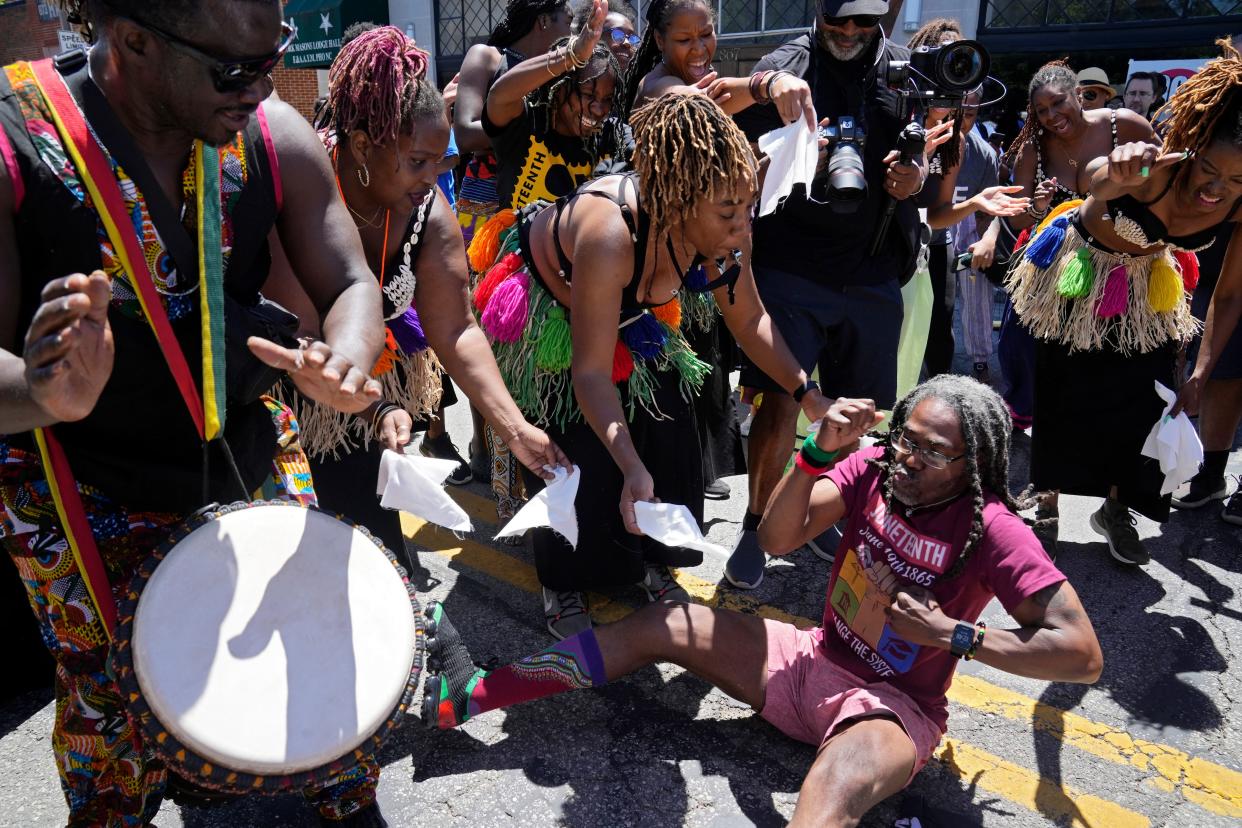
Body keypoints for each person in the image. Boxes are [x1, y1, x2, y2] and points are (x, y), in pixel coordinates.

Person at [0, 0, 392, 824]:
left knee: (317, 657)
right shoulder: (15, 143)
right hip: (82, 487)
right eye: (232, 69)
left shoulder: (269, 132)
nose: (260, 86)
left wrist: (346, 365)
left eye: (270, 56)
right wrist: (44, 392)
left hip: (245, 448)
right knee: (116, 723)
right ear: (134, 39)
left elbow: (352, 282)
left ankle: (337, 794)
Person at [420, 376, 1103, 826]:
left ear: (974, 465)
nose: (907, 459)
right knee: (665, 621)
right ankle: (472, 695)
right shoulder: (870, 469)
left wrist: (956, 635)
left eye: (932, 452)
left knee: (831, 788)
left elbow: (1082, 655)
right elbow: (778, 536)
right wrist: (812, 456)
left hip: (891, 710)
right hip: (808, 660)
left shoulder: (997, 532)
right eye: (904, 440)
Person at [471, 92, 832, 638]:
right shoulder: (610, 234)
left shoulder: (725, 229)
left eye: (746, 207)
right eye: (729, 214)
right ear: (680, 201)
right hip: (556, 316)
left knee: (671, 437)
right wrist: (627, 462)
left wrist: (809, 394)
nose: (743, 226)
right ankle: (564, 578)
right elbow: (590, 374)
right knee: (578, 458)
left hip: (628, 315)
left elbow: (750, 319)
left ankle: (653, 558)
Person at [263, 28, 568, 572]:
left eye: (441, 163)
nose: (432, 180)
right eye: (418, 162)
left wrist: (515, 429)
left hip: (363, 400)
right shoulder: (304, 187)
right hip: (286, 400)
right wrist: (378, 405)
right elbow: (303, 335)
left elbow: (456, 329)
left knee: (370, 548)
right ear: (362, 146)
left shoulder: (428, 215)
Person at [1006, 40, 1242, 566]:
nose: (1218, 189)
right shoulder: (1157, 168)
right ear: (1194, 151)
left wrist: (1202, 373)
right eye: (1210, 172)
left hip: (1146, 285)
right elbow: (1095, 181)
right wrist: (1115, 171)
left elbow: (1228, 294)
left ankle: (1117, 509)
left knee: (1143, 397)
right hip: (1080, 269)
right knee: (1064, 386)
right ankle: (1046, 496)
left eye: (1237, 181)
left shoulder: (1238, 204)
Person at [726, 0, 933, 590]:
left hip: (872, 267)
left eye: (861, 23)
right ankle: (756, 523)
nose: (847, 33)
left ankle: (817, 512)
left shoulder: (903, 69)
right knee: (780, 402)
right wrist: (768, 97)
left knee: (857, 411)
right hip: (791, 264)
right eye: (835, 20)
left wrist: (913, 177)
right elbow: (733, 147)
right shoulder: (784, 63)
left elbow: (919, 150)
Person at [468, 0, 629, 528]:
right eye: (589, 93)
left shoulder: (609, 136)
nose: (599, 108)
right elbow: (498, 96)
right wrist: (570, 55)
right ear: (561, 89)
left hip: (584, 278)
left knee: (571, 399)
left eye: (608, 99)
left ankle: (575, 506)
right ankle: (511, 500)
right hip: (521, 282)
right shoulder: (526, 121)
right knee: (517, 402)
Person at [997, 61, 1151, 557]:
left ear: (1079, 95)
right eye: (1041, 111)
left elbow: (1158, 182)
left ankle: (1115, 508)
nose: (1052, 117)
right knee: (1054, 393)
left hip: (1125, 279)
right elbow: (1017, 212)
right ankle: (1047, 503)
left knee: (1121, 394)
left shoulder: (1123, 125)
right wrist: (1039, 208)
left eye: (1059, 103)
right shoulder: (1033, 149)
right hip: (1059, 286)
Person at [452, 0, 572, 485]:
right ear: (545, 20)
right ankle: (487, 444)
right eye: (566, 19)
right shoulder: (488, 57)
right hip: (488, 217)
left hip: (545, 212)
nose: (571, 29)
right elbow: (464, 131)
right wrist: (516, 128)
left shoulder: (565, 66)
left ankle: (533, 446)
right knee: (488, 333)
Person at [926, 89, 1028, 383]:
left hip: (957, 236)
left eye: (969, 114)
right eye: (953, 110)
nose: (959, 120)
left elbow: (987, 211)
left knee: (965, 305)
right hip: (915, 241)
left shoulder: (983, 154)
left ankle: (979, 363)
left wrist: (987, 241)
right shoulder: (917, 141)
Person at [1174, 223, 1242, 524]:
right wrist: (1198, 375)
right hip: (1216, 274)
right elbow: (1229, 295)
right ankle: (1212, 473)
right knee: (1221, 373)